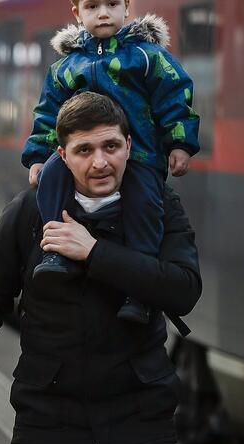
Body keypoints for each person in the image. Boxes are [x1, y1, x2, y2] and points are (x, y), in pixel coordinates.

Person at [0, 92, 201, 444]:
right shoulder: (30, 210)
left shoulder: (157, 205)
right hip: (50, 419)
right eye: (85, 150)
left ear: (128, 144)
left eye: (111, 147)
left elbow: (183, 287)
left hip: (138, 419)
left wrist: (95, 252)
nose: (100, 163)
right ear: (62, 154)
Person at [22, 0, 200, 324]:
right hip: (77, 158)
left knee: (145, 204)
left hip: (142, 155)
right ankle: (56, 252)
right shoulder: (66, 66)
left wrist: (179, 143)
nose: (103, 12)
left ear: (127, 8)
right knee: (50, 177)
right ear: (77, 13)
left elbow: (175, 97)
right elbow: (48, 114)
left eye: (112, 4)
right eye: (92, 6)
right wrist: (37, 156)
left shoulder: (147, 57)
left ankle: (139, 295)